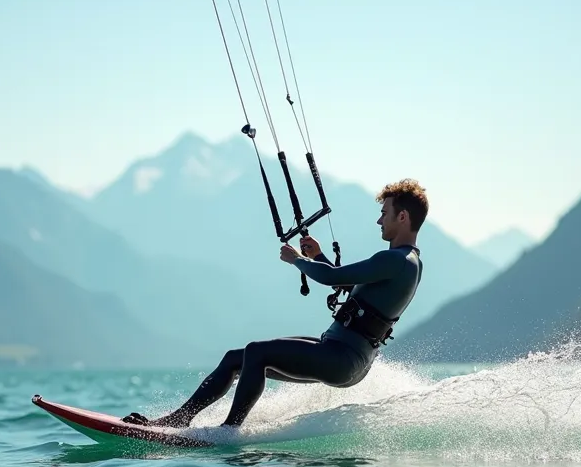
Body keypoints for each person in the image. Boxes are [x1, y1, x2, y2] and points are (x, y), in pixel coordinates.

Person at [123, 178, 427, 429]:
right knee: (236, 358)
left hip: (343, 358)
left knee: (257, 352)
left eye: (384, 213)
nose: (379, 219)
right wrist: (317, 256)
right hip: (342, 355)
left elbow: (330, 277)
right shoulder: (409, 262)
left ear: (402, 217)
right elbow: (344, 283)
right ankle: (180, 419)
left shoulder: (395, 260)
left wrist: (297, 260)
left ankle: (228, 431)